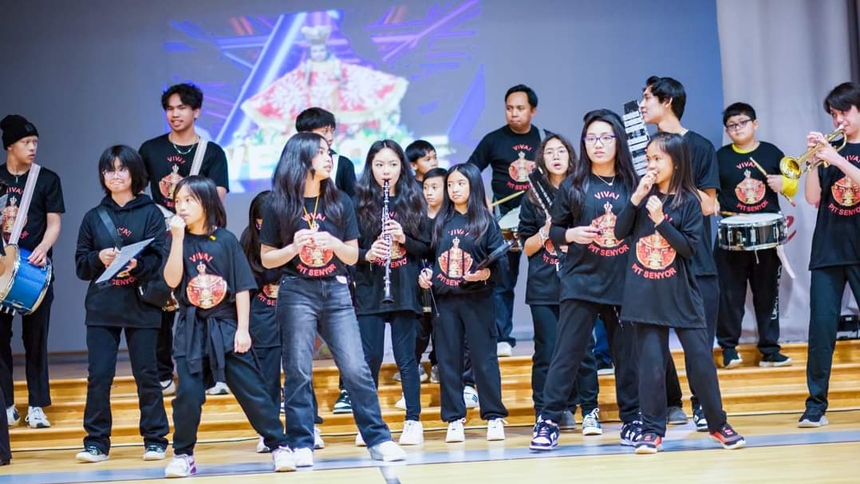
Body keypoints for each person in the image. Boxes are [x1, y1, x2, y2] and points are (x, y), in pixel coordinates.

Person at [260, 132, 406, 466]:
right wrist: (293, 248)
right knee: (297, 370)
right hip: (296, 290)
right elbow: (267, 258)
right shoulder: (277, 203)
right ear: (302, 158)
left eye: (329, 152)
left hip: (337, 289)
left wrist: (332, 244)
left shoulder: (340, 201)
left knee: (356, 368)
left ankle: (378, 439)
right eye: (322, 152)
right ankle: (301, 441)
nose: (329, 157)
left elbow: (353, 255)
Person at [614, 132, 745, 454]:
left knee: (700, 360)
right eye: (648, 158)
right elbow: (619, 233)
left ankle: (718, 423)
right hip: (645, 293)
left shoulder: (689, 201)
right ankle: (652, 429)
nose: (652, 164)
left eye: (657, 158)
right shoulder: (641, 197)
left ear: (675, 161)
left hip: (682, 292)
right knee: (651, 365)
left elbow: (688, 248)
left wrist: (660, 221)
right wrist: (636, 199)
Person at [162, 176, 295, 477]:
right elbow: (171, 281)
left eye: (189, 200)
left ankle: (278, 446)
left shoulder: (226, 240)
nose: (181, 207)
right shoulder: (175, 240)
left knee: (252, 390)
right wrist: (178, 240)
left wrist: (243, 329)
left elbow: (242, 289)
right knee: (189, 395)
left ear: (206, 203)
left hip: (226, 324)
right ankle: (184, 454)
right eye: (178, 201)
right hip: (192, 327)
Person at [530, 111, 640, 451]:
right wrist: (572, 234)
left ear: (618, 141)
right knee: (567, 353)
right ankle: (548, 420)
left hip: (622, 282)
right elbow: (558, 230)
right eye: (591, 138)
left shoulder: (632, 184)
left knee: (626, 354)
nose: (598, 144)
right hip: (580, 280)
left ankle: (632, 418)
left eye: (606, 137)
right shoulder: (575, 184)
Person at [73, 145, 169, 463]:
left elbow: (160, 258)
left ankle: (155, 440)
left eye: (121, 168)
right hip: (102, 306)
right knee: (99, 375)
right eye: (108, 170)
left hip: (142, 304)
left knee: (147, 373)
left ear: (135, 173)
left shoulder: (151, 212)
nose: (115, 175)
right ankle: (96, 443)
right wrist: (98, 258)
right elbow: (80, 265)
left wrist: (136, 266)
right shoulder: (93, 217)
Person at [138, 83, 230, 397]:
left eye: (181, 108)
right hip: (161, 237)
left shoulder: (212, 152)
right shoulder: (150, 149)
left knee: (202, 300)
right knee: (162, 302)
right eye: (170, 108)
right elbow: (136, 194)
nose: (175, 114)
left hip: (198, 237)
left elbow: (217, 198)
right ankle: (163, 373)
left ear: (196, 111)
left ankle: (210, 374)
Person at [640, 76, 719, 430]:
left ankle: (704, 407)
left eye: (647, 98)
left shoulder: (698, 146)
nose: (642, 105)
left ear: (667, 100)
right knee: (653, 344)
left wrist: (674, 184)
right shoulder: (644, 148)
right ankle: (670, 405)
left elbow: (709, 206)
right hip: (652, 264)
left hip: (694, 262)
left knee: (698, 346)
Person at [418, 163, 509, 442]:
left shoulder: (484, 221)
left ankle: (493, 416)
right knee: (447, 361)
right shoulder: (440, 222)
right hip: (445, 302)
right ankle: (454, 418)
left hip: (477, 299)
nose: (454, 189)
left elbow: (502, 263)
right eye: (450, 185)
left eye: (460, 183)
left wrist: (485, 273)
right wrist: (426, 275)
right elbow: (430, 259)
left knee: (484, 360)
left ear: (472, 185)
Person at [519, 133, 601, 435]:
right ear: (542, 159)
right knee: (547, 350)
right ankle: (547, 411)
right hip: (542, 284)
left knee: (584, 349)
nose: (556, 156)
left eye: (561, 151)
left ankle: (589, 409)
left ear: (571, 156)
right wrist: (546, 232)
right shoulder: (531, 197)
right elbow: (526, 247)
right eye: (550, 152)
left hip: (578, 281)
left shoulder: (583, 190)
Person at [353, 140, 429, 446]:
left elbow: (426, 247)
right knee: (368, 358)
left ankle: (413, 420)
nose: (386, 171)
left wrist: (404, 239)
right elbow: (349, 250)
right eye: (380, 165)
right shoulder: (357, 201)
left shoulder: (414, 200)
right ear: (370, 166)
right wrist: (367, 253)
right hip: (371, 287)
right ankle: (368, 424)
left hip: (404, 287)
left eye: (393, 165)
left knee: (406, 358)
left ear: (404, 167)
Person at [468, 84, 551, 357]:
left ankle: (551, 334)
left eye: (520, 108)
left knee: (546, 274)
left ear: (533, 110)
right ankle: (502, 336)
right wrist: (481, 201)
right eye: (509, 108)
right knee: (504, 277)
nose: (514, 114)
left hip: (540, 217)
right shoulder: (493, 140)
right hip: (504, 220)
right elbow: (470, 171)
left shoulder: (543, 140)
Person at [715, 102, 794, 368]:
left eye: (743, 123)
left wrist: (785, 183)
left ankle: (770, 350)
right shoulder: (721, 157)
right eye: (732, 125)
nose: (737, 128)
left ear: (755, 124)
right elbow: (710, 191)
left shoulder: (772, 153)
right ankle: (728, 348)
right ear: (727, 130)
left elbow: (792, 186)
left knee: (767, 293)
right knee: (729, 294)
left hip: (766, 236)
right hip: (732, 235)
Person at [801, 81, 860, 428]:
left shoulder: (839, 152)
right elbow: (812, 198)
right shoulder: (829, 151)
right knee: (821, 330)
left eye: (844, 112)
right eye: (834, 114)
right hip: (828, 251)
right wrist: (812, 162)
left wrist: (836, 157)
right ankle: (815, 405)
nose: (839, 120)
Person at [0, 114, 64, 429]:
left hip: (35, 271)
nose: (32, 147)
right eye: (26, 142)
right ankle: (7, 404)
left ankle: (37, 405)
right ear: (9, 145)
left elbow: (54, 224)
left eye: (35, 142)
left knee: (35, 339)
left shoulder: (46, 179)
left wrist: (42, 248)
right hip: (2, 270)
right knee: (0, 340)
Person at [296, 107, 357, 197]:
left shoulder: (342, 164)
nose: (330, 137)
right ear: (305, 133)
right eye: (324, 132)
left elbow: (353, 202)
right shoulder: (290, 163)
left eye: (332, 132)